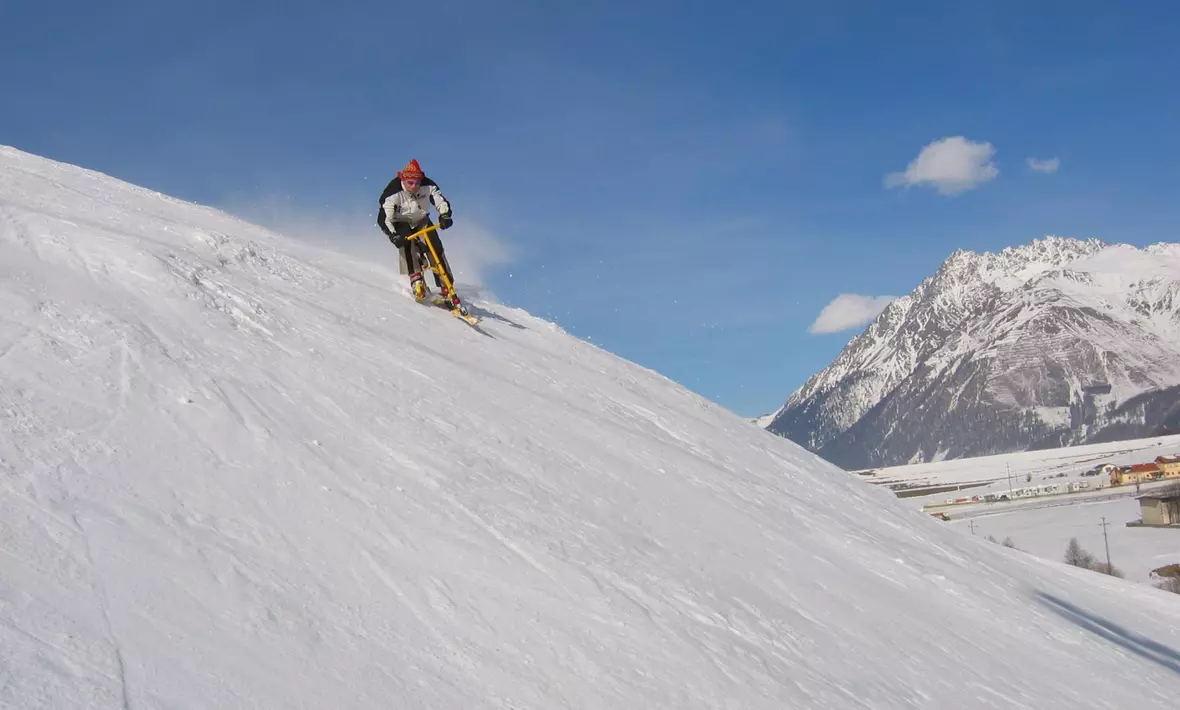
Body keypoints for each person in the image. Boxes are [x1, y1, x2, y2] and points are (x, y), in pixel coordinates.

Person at [376, 159, 464, 313]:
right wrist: (393, 235)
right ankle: (416, 279)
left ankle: (447, 287)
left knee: (435, 248)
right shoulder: (393, 192)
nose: (414, 186)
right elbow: (384, 217)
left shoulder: (427, 185)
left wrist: (444, 215)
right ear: (403, 180)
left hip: (421, 220)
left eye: (417, 182)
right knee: (407, 244)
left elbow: (439, 200)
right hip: (400, 222)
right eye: (410, 182)